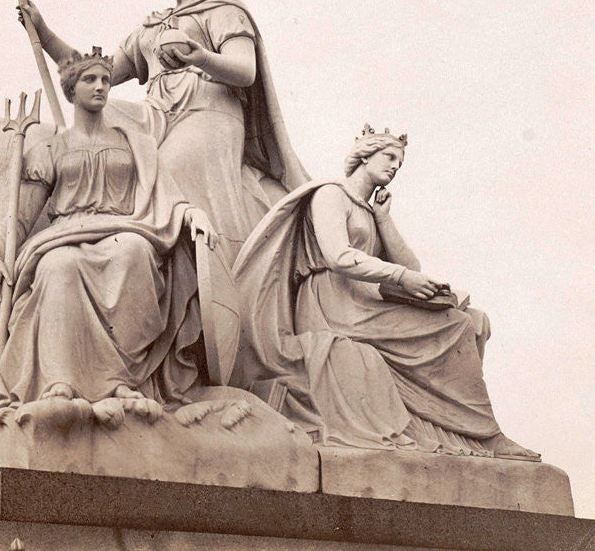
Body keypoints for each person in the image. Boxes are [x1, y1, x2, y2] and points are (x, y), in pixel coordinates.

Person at [229, 125, 539, 460]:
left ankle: (472, 431)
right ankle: (485, 435)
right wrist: (400, 276)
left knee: (472, 320)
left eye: (399, 163)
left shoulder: (369, 209)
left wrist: (383, 220)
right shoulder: (330, 194)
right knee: (457, 326)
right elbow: (338, 256)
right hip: (332, 303)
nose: (394, 166)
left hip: (363, 301)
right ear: (366, 155)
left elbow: (412, 266)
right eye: (389, 156)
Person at [18, 0, 308, 265]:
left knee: (165, 170)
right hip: (156, 112)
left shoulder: (223, 10)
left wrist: (198, 56)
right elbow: (93, 72)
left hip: (207, 111)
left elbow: (245, 71)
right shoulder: (152, 26)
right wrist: (43, 31)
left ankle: (198, 268)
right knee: (102, 121)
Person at [0, 48, 227, 411]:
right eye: (90, 80)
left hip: (123, 226)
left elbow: (164, 191)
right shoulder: (52, 146)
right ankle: (60, 380)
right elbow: (22, 215)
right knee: (59, 267)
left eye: (106, 80)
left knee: (135, 253)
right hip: (66, 234)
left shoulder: (132, 141)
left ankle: (120, 380)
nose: (101, 87)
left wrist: (189, 213)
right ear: (71, 90)